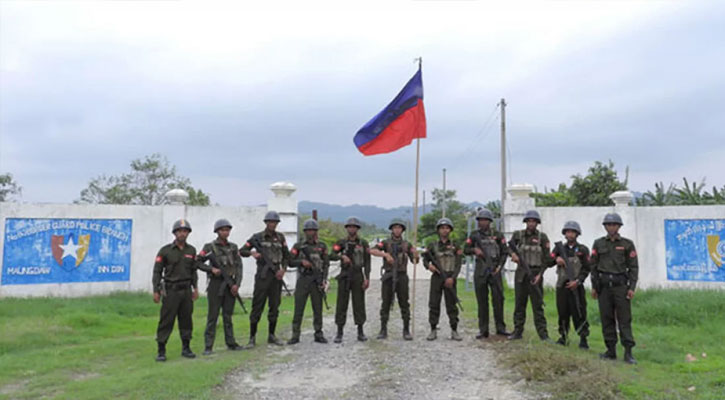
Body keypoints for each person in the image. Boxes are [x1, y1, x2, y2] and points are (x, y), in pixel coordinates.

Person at [590, 213, 639, 364]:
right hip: (604, 286)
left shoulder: (627, 244)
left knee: (624, 319)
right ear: (605, 227)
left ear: (618, 227)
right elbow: (593, 266)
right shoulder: (598, 244)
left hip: (621, 286)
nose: (611, 227)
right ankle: (610, 350)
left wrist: (631, 287)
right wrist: (594, 287)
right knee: (606, 318)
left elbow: (633, 267)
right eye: (608, 225)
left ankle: (628, 352)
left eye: (614, 225)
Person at [239, 211, 290, 347]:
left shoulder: (280, 238)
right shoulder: (257, 237)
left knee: (274, 306)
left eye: (275, 222)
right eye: (270, 222)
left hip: (276, 276)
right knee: (257, 305)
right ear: (266, 223)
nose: (272, 224)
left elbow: (287, 256)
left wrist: (283, 270)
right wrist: (252, 253)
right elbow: (242, 250)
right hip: (263, 275)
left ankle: (272, 335)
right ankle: (252, 337)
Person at [152, 219, 199, 361]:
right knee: (166, 320)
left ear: (188, 233)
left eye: (185, 231)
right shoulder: (165, 250)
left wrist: (195, 288)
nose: (182, 234)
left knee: (186, 320)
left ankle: (186, 347)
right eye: (179, 231)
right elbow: (157, 271)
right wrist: (156, 290)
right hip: (171, 291)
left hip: (186, 290)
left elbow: (193, 271)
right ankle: (161, 350)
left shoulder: (191, 250)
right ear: (175, 233)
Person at [197, 218, 243, 354]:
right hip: (216, 284)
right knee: (213, 315)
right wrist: (211, 270)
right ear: (217, 231)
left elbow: (239, 266)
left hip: (230, 283)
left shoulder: (233, 247)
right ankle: (208, 346)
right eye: (223, 230)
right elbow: (198, 262)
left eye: (227, 230)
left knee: (228, 315)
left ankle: (231, 342)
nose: (225, 232)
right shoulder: (209, 247)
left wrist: (237, 284)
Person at [463, 208, 510, 339]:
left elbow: (504, 252)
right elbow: (465, 249)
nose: (481, 223)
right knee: (482, 301)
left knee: (498, 300)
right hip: (481, 271)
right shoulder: (474, 235)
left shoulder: (498, 235)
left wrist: (499, 267)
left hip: (495, 269)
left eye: (484, 220)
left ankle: (500, 328)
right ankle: (483, 330)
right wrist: (474, 250)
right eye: (480, 220)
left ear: (489, 221)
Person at [507, 210, 553, 341]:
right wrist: (513, 254)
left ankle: (543, 335)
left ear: (537, 223)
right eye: (529, 221)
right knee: (519, 305)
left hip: (536, 275)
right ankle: (517, 331)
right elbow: (508, 247)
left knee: (538, 306)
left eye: (534, 221)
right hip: (521, 274)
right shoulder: (518, 235)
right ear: (526, 222)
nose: (531, 223)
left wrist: (540, 275)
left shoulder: (542, 237)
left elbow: (547, 259)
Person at [369, 218, 419, 340]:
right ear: (391, 229)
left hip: (402, 275)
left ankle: (406, 330)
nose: (397, 230)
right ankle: (383, 329)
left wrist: (416, 255)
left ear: (402, 230)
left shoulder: (407, 244)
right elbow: (372, 250)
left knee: (404, 303)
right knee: (385, 303)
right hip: (389, 275)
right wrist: (385, 255)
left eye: (399, 228)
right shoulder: (385, 243)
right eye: (395, 227)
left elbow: (415, 261)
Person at [329, 217, 371, 343]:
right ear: (346, 228)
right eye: (350, 226)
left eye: (354, 227)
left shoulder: (363, 243)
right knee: (342, 303)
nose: (352, 229)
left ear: (357, 229)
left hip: (358, 275)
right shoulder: (341, 242)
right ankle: (339, 332)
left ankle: (360, 331)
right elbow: (331, 255)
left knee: (359, 303)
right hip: (345, 275)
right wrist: (342, 257)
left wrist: (367, 277)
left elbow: (367, 261)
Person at [287, 219, 330, 344]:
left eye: (313, 230)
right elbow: (290, 262)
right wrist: (301, 262)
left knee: (318, 308)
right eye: (308, 230)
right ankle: (295, 335)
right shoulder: (298, 246)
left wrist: (324, 280)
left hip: (316, 280)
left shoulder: (322, 246)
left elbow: (326, 264)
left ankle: (318, 333)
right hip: (303, 280)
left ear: (316, 232)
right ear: (305, 232)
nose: (310, 233)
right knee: (298, 308)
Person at [551, 221, 590, 349]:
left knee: (579, 311)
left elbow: (586, 268)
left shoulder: (583, 249)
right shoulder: (559, 248)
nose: (570, 234)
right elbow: (548, 259)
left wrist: (578, 281)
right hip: (562, 285)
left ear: (577, 234)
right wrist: (556, 259)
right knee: (563, 311)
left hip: (577, 286)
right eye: (567, 232)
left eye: (572, 232)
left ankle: (583, 338)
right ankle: (563, 336)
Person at [422, 218, 463, 341]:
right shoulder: (432, 245)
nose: (444, 230)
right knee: (434, 303)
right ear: (438, 230)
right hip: (437, 278)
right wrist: (429, 266)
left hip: (450, 277)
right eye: (442, 228)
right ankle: (433, 329)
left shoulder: (455, 245)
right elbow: (425, 259)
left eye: (447, 228)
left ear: (450, 230)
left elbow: (458, 264)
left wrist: (453, 278)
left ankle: (454, 330)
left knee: (451, 305)